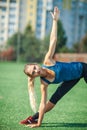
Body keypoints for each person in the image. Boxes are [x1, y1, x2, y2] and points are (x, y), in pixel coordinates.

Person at [20, 7, 87, 128]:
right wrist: (39, 123)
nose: (36, 70)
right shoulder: (43, 83)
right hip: (71, 79)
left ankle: (33, 118)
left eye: (34, 67)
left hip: (83, 69)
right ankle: (33, 118)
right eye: (33, 72)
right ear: (33, 76)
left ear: (36, 64)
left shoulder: (48, 60)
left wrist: (55, 21)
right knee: (53, 101)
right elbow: (42, 103)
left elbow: (53, 40)